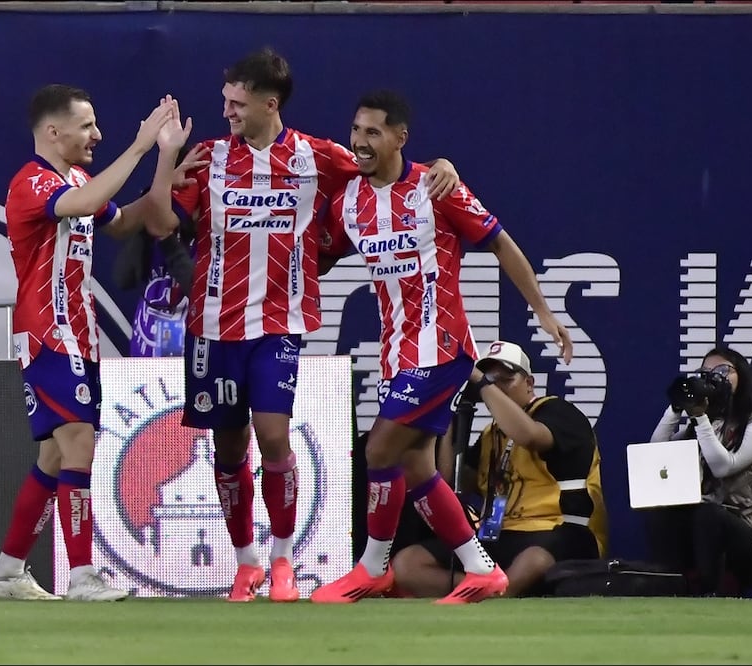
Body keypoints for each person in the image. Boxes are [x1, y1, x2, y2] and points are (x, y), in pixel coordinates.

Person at [148, 47, 461, 603]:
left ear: (271, 104)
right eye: (225, 101)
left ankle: (284, 558)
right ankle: (245, 564)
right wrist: (167, 162)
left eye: (236, 103)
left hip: (279, 322)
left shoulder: (320, 157)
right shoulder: (210, 157)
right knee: (228, 448)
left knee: (273, 437)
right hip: (212, 324)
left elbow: (386, 173)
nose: (227, 112)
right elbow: (161, 220)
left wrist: (443, 167)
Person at [312, 90, 574, 604]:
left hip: (444, 348)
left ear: (399, 138)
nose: (360, 143)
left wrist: (542, 310)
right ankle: (482, 570)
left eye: (373, 133)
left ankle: (371, 566)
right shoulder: (348, 201)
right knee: (415, 468)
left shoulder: (436, 187)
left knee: (379, 449)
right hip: (396, 355)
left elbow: (499, 241)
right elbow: (319, 256)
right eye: (356, 131)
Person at [0, 84, 189, 601]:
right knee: (79, 445)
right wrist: (140, 146)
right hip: (47, 333)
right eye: (88, 125)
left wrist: (165, 156)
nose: (97, 134)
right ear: (54, 132)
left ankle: (8, 571)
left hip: (79, 332)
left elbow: (133, 220)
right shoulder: (31, 183)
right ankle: (80, 576)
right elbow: (88, 201)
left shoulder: (75, 179)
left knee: (55, 457)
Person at [389, 340, 607, 598]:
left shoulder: (558, 411)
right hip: (501, 535)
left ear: (529, 383)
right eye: (492, 381)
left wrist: (483, 385)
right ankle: (488, 591)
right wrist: (448, 417)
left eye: (506, 380)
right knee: (407, 563)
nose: (497, 389)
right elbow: (449, 484)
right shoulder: (490, 435)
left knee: (533, 560)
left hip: (558, 530)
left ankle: (492, 589)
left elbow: (530, 436)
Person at [644, 345, 752, 596]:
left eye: (722, 370)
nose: (714, 377)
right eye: (706, 372)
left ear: (743, 377)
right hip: (703, 527)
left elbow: (722, 466)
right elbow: (657, 452)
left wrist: (699, 418)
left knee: (708, 514)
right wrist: (676, 409)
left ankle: (711, 592)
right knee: (662, 513)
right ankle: (670, 586)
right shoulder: (702, 426)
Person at [113, 145, 206, 357]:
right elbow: (123, 279)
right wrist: (150, 218)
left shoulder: (213, 236)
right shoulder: (155, 231)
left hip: (192, 355)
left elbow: (198, 291)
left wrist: (166, 239)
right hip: (147, 349)